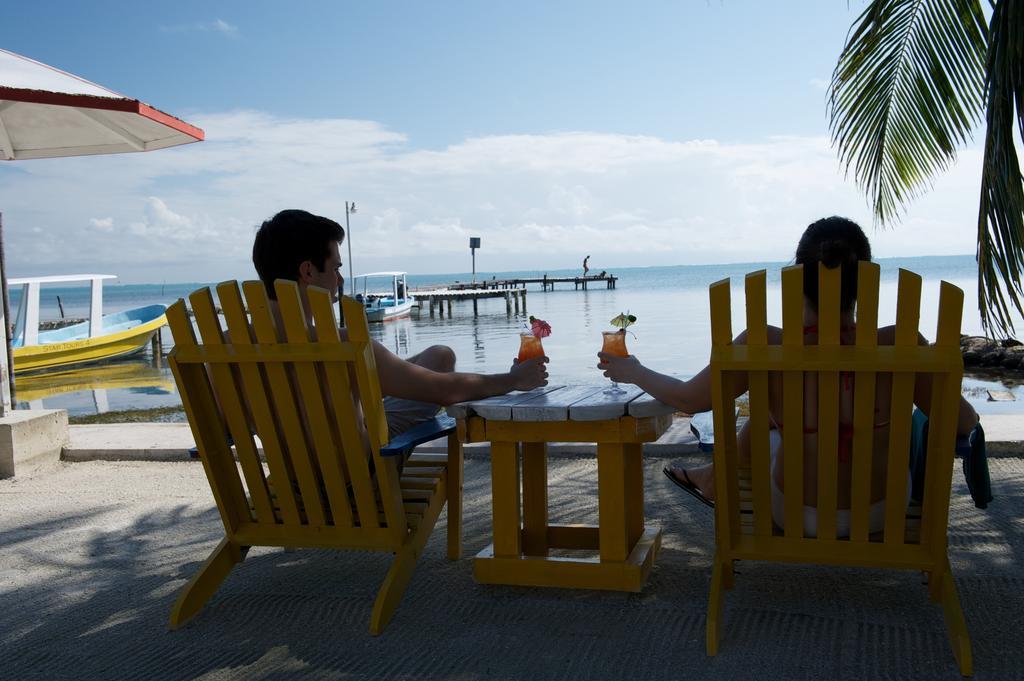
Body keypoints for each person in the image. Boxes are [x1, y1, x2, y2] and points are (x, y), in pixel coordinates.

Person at [599, 216, 979, 537]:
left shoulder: (765, 344)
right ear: (866, 279)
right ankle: (713, 477)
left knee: (774, 413)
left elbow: (689, 399)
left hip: (797, 513)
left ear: (797, 276)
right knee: (787, 415)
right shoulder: (902, 343)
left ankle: (713, 479)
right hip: (883, 512)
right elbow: (964, 422)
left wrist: (634, 370)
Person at [252, 209, 549, 440]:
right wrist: (513, 380)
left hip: (283, 488)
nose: (340, 280)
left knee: (440, 355)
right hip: (356, 481)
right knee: (437, 372)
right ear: (307, 271)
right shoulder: (344, 347)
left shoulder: (223, 350)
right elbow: (444, 391)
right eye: (335, 268)